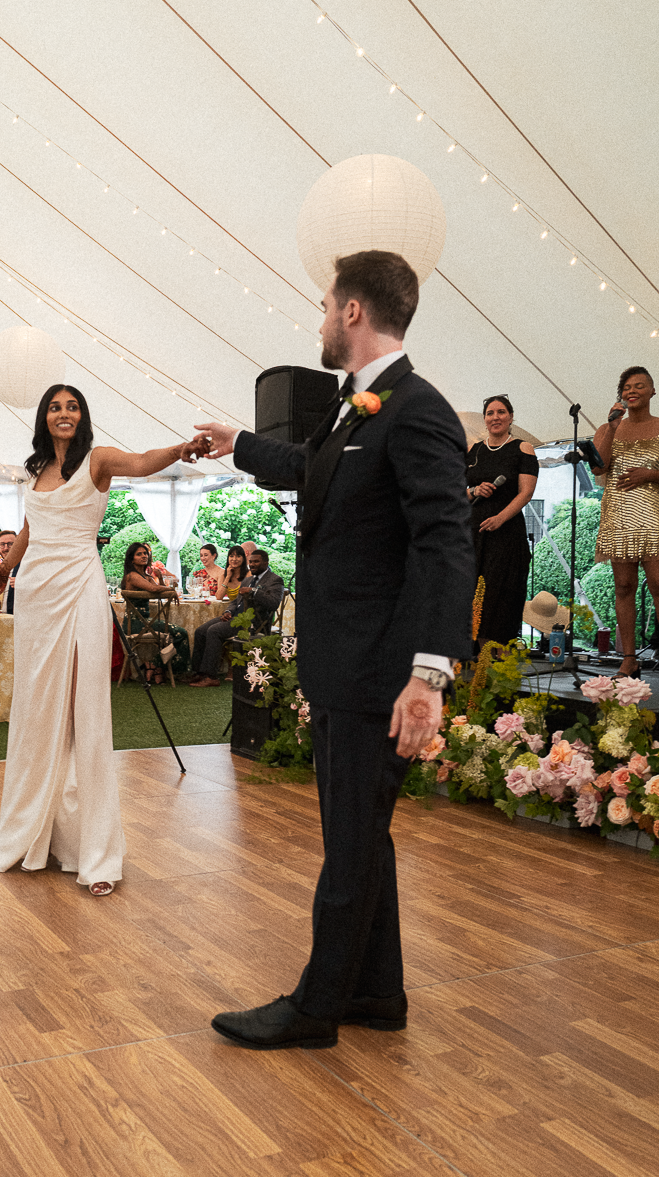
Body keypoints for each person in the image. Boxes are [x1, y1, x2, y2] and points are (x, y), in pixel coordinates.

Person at [195, 248, 474, 1050]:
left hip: (376, 670)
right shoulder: (357, 407)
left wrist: (426, 673)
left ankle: (316, 1008)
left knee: (349, 840)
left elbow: (445, 545)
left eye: (324, 306)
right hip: (344, 661)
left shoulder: (416, 410)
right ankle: (377, 994)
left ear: (352, 313)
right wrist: (238, 442)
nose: (318, 319)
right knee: (360, 833)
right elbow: (313, 468)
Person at [0, 383, 208, 895]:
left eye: (72, 406)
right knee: (38, 710)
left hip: (80, 590)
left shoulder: (98, 460)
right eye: (55, 407)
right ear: (44, 418)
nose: (64, 413)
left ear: (82, 417)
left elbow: (143, 461)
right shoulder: (35, 469)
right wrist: (3, 569)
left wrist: (178, 450)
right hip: (36, 595)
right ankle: (31, 833)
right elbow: (28, 528)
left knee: (86, 709)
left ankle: (96, 852)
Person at [593, 367, 659, 677]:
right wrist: (611, 427)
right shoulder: (609, 428)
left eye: (640, 386)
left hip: (654, 516)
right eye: (627, 387)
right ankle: (629, 658)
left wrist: (651, 474)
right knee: (623, 586)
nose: (632, 391)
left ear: (652, 392)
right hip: (619, 517)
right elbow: (598, 468)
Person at [466, 395, 539, 646]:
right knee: (470, 590)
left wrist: (500, 518)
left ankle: (498, 654)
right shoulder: (474, 450)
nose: (495, 417)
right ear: (484, 419)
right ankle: (472, 655)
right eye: (490, 413)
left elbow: (526, 493)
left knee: (501, 593)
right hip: (474, 531)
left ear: (510, 417)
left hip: (506, 533)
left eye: (501, 412)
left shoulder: (522, 448)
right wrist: (474, 491)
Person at [189, 548, 283, 687]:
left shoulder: (275, 580)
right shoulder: (248, 580)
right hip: (235, 617)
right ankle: (198, 673)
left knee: (214, 631)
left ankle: (211, 676)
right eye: (251, 562)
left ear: (265, 562)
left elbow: (273, 603)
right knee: (201, 631)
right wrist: (228, 611)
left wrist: (254, 591)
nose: (252, 565)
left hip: (254, 622)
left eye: (256, 562)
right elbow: (236, 601)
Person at [120, 541, 190, 680]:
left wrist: (162, 578)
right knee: (180, 633)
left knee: (179, 633)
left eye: (145, 553)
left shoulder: (148, 577)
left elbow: (159, 590)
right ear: (131, 558)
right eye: (139, 554)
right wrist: (171, 591)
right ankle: (161, 667)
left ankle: (154, 665)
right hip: (134, 623)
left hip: (147, 622)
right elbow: (153, 589)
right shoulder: (132, 576)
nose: (144, 556)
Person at [0, 529, 20, 614]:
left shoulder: (26, 565)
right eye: (2, 544)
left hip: (19, 619)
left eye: (10, 544)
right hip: (2, 619)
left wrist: (23, 583)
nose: (6, 548)